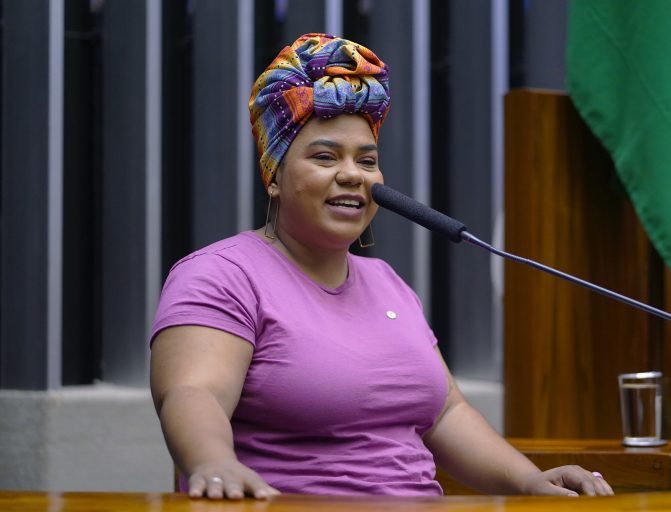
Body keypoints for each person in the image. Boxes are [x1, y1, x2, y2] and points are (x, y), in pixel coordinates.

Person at [149, 33, 614, 500]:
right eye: (325, 156)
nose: (353, 174)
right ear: (275, 175)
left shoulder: (387, 282)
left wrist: (530, 479)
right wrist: (213, 463)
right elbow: (194, 392)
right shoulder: (221, 274)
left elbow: (446, 413)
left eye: (367, 161)